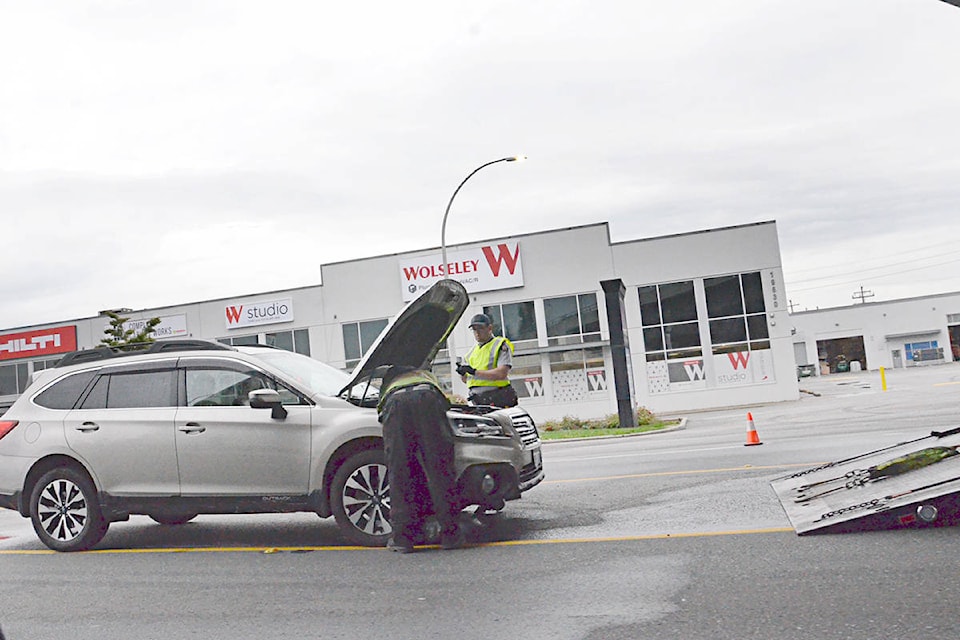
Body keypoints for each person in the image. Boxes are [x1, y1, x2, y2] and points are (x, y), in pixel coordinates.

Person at [377, 365, 465, 553]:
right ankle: (451, 534)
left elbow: (381, 414)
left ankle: (403, 539)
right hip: (428, 399)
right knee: (439, 468)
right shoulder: (427, 376)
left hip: (396, 403)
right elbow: (445, 405)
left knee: (399, 471)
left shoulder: (389, 383)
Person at [457, 313, 519, 408]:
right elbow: (467, 380)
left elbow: (501, 373)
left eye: (480, 328)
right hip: (478, 401)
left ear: (489, 328)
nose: (477, 332)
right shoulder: (470, 353)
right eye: (474, 329)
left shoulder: (500, 345)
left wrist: (474, 372)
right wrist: (462, 373)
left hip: (499, 397)